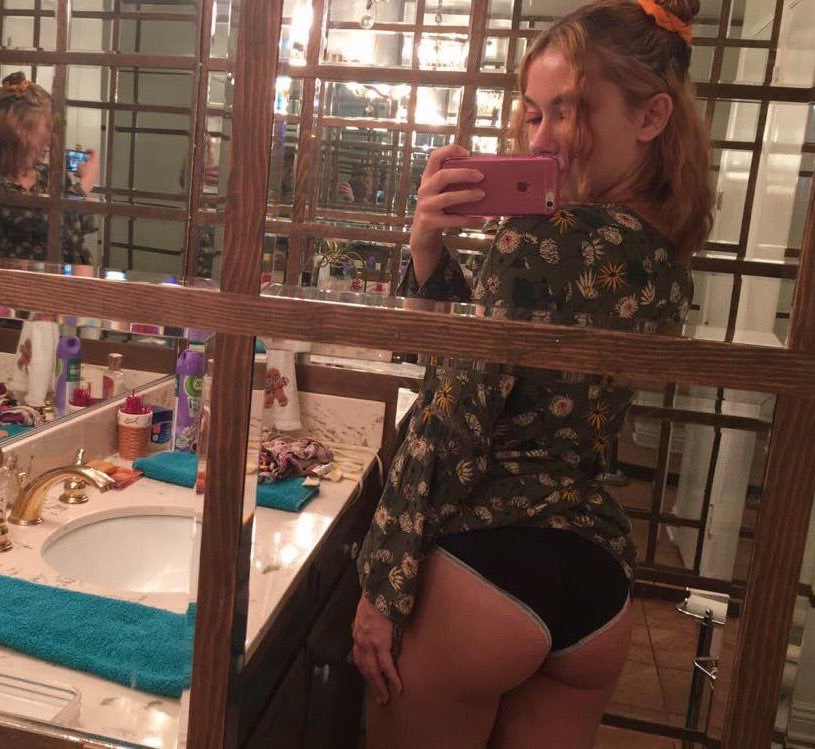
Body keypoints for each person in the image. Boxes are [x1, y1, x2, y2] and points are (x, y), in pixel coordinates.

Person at [352, 0, 712, 747]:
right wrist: (429, 255)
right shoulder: (666, 255)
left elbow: (450, 419)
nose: (542, 140)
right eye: (532, 114)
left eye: (568, 112)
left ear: (650, 117)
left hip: (483, 571)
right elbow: (510, 376)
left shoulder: (536, 237)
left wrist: (383, 582)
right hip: (596, 587)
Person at [0, 72, 98, 265]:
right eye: (46, 126)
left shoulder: (50, 176)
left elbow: (80, 236)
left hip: (61, 281)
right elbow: (44, 222)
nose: (51, 136)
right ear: (21, 132)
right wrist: (82, 187)